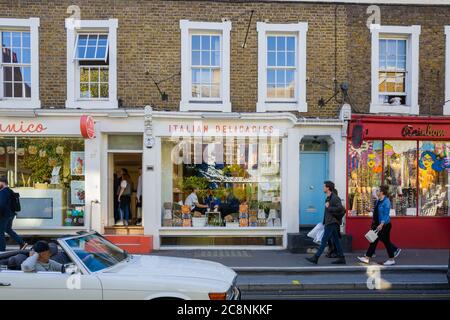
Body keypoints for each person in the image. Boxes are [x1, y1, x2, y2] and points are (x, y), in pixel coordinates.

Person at [357, 185, 401, 266]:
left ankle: (391, 259)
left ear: (381, 192)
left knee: (385, 242)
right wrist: (371, 210)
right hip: (377, 224)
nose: (376, 192)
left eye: (377, 190)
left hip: (384, 225)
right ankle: (367, 258)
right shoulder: (378, 201)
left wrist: (381, 224)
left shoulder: (386, 201)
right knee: (374, 241)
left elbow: (386, 214)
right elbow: (378, 211)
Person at [306, 181, 346, 265]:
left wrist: (329, 207)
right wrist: (324, 221)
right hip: (329, 222)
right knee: (336, 240)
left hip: (332, 222)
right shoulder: (328, 197)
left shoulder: (335, 198)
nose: (323, 188)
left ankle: (316, 257)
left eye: (324, 186)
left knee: (324, 240)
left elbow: (341, 209)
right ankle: (342, 258)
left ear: (328, 188)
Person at [0, 176, 27, 251]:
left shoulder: (3, 192)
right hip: (11, 214)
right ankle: (22, 243)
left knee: (0, 232)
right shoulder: (10, 191)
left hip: (3, 215)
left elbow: (1, 204)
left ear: (2, 183)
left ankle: (1, 250)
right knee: (8, 229)